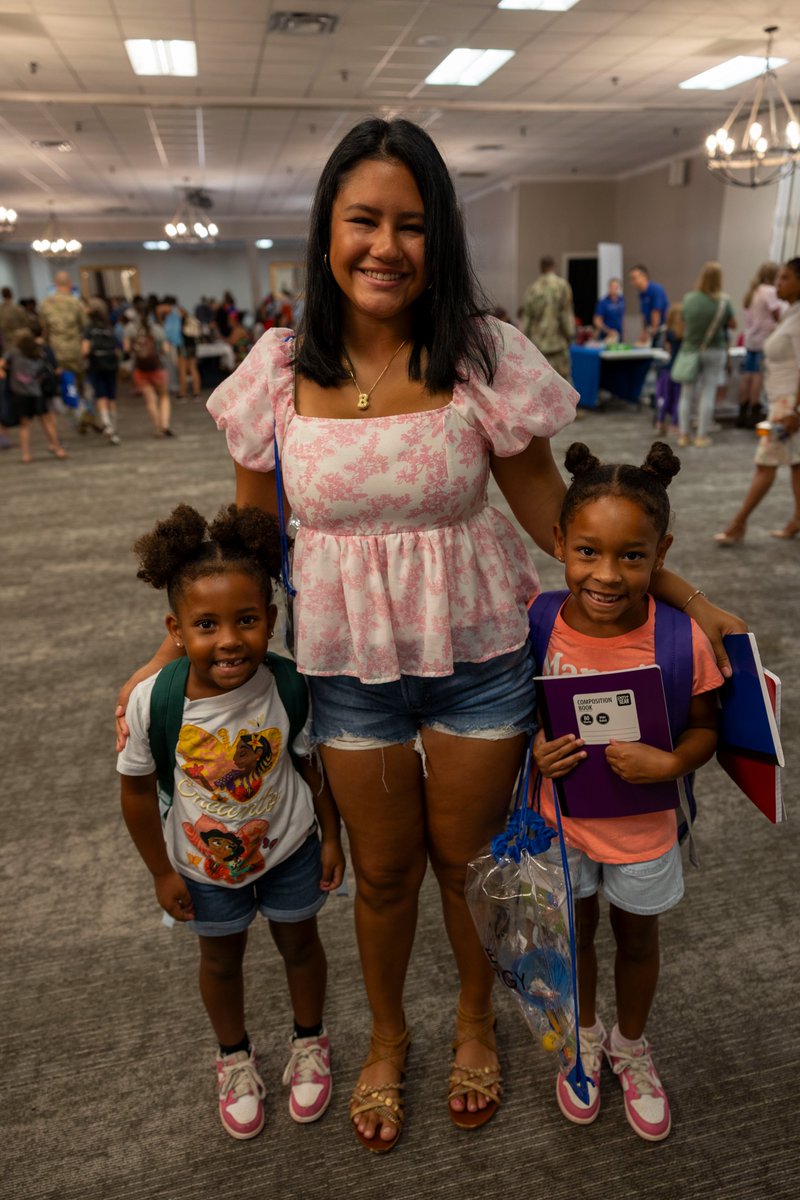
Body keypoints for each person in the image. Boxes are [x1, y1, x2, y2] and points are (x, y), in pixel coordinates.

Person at [116, 116, 746, 1153]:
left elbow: (560, 519)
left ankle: (468, 1021)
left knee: (466, 863)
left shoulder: (479, 354)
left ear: (437, 237)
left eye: (411, 225)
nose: (385, 246)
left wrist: (682, 596)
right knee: (381, 873)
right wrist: (167, 645)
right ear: (327, 232)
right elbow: (255, 540)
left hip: (474, 655)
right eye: (362, 220)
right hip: (344, 660)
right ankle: (385, 1034)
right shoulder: (277, 370)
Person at [118, 503, 344, 1140]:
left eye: (246, 620)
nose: (229, 640)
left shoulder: (289, 684)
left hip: (292, 850)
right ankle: (234, 1058)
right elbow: (135, 793)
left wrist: (332, 835)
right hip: (202, 868)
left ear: (271, 621)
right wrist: (161, 873)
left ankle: (309, 1040)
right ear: (177, 629)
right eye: (207, 624)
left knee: (301, 945)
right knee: (220, 962)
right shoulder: (152, 701)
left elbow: (310, 764)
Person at [531, 441, 722, 1142]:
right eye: (587, 553)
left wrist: (671, 767)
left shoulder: (679, 637)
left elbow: (707, 727)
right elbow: (527, 710)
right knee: (574, 933)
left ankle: (630, 1046)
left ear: (660, 552)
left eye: (631, 557)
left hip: (644, 830)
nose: (606, 575)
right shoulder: (540, 621)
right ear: (560, 542)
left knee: (637, 938)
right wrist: (537, 750)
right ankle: (583, 1038)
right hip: (562, 822)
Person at [714, 257, 800, 544]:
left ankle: (738, 524)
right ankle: (797, 519)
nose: (779, 283)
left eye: (786, 278)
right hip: (781, 400)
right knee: (796, 464)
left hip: (789, 405)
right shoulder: (791, 314)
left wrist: (796, 409)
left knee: (765, 464)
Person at [676, 262, 736, 449]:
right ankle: (701, 436)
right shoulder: (724, 301)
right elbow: (733, 324)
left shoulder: (689, 298)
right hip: (714, 349)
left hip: (690, 350)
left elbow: (682, 322)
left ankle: (684, 435)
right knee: (708, 392)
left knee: (686, 394)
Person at [0, 329, 66, 463]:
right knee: (46, 422)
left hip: (20, 393)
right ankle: (57, 448)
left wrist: (4, 374)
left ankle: (26, 454)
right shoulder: (38, 353)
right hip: (36, 392)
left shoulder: (13, 353)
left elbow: (1, 364)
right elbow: (44, 372)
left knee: (25, 425)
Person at [738, 262, 783, 429]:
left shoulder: (752, 292)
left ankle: (742, 412)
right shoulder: (769, 291)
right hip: (764, 339)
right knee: (758, 375)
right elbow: (777, 314)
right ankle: (754, 413)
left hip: (750, 338)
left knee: (747, 374)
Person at [521, 256, 576, 380]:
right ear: (553, 267)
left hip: (537, 347)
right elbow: (565, 315)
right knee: (563, 384)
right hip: (558, 345)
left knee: (539, 383)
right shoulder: (562, 286)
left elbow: (526, 320)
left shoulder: (532, 288)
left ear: (541, 268)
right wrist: (570, 336)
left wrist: (524, 346)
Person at [124, 313, 174, 437]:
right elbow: (166, 349)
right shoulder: (156, 328)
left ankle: (157, 427)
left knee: (150, 400)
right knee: (163, 396)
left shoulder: (130, 328)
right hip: (157, 367)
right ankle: (165, 424)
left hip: (140, 369)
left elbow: (126, 348)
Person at [82, 299, 121, 444]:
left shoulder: (89, 329)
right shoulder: (109, 326)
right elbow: (117, 349)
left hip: (96, 365)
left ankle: (107, 424)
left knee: (101, 395)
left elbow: (85, 350)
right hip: (111, 364)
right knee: (111, 397)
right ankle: (114, 428)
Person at [653, 303, 683, 436]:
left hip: (668, 369)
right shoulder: (683, 334)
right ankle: (674, 424)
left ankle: (660, 421)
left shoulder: (669, 333)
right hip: (679, 370)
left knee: (665, 397)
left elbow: (668, 349)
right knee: (677, 399)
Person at [629, 265, 669, 347]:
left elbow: (656, 313)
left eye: (634, 278)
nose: (632, 282)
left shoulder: (656, 290)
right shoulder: (641, 294)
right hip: (651, 331)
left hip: (661, 331)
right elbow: (644, 315)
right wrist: (644, 332)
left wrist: (649, 333)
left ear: (644, 276)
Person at [593, 278, 625, 342]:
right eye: (612, 287)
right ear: (609, 287)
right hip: (606, 337)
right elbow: (597, 321)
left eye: (616, 287)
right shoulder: (603, 302)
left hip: (619, 336)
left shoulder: (621, 300)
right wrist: (608, 331)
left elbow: (622, 318)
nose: (614, 289)